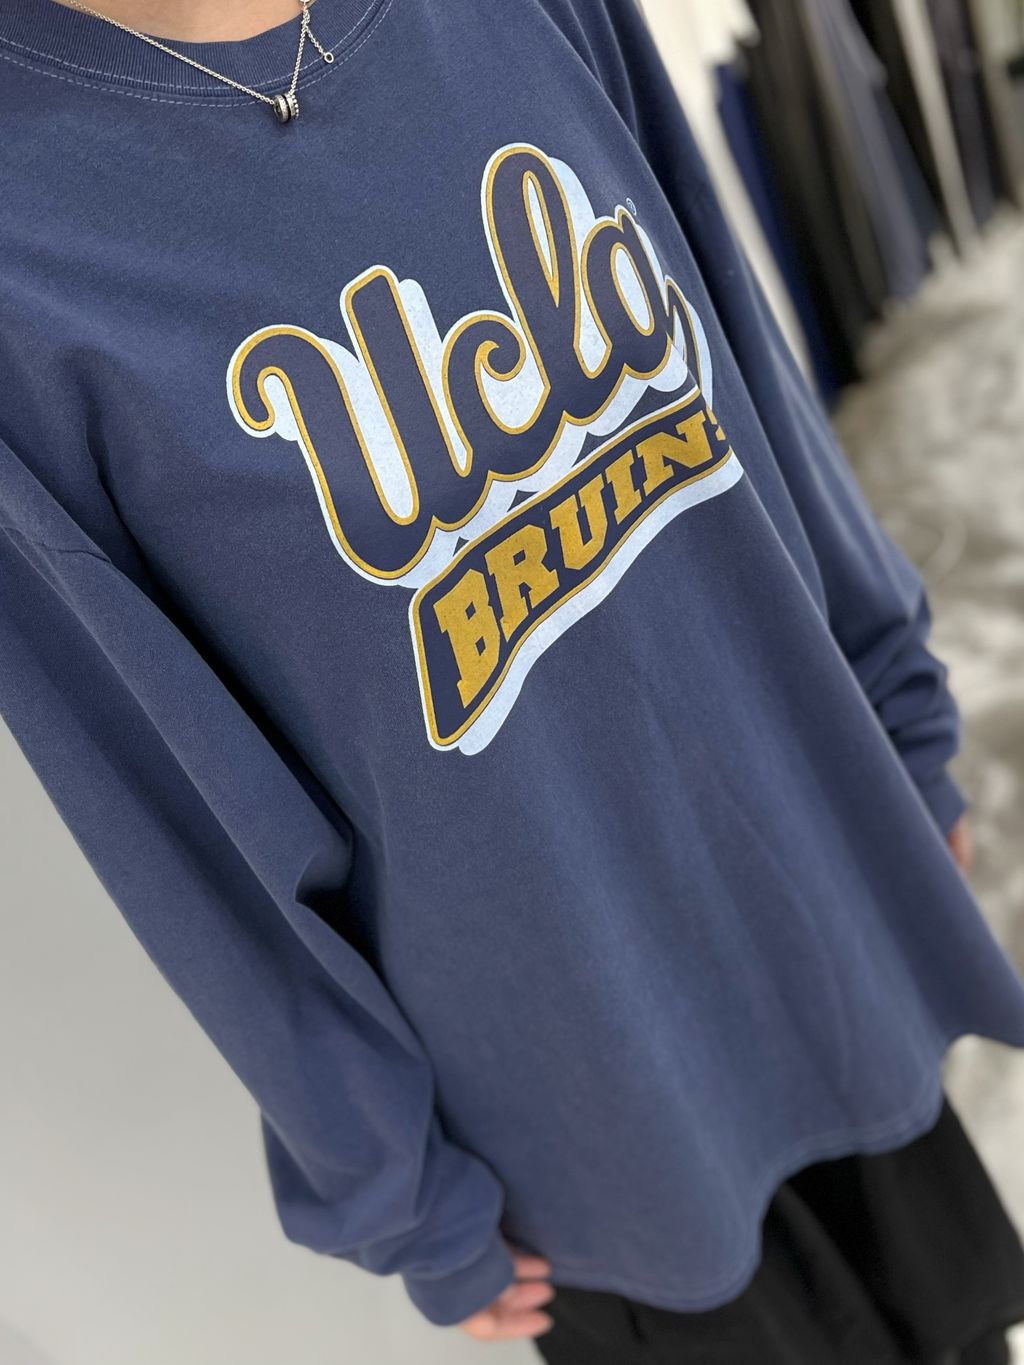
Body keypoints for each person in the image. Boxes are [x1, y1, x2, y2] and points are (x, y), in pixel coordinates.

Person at [1, 0, 1023, 1359]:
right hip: (580, 1108)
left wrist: (895, 712)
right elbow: (176, 811)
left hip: (809, 907)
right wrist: (394, 1178)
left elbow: (739, 364)